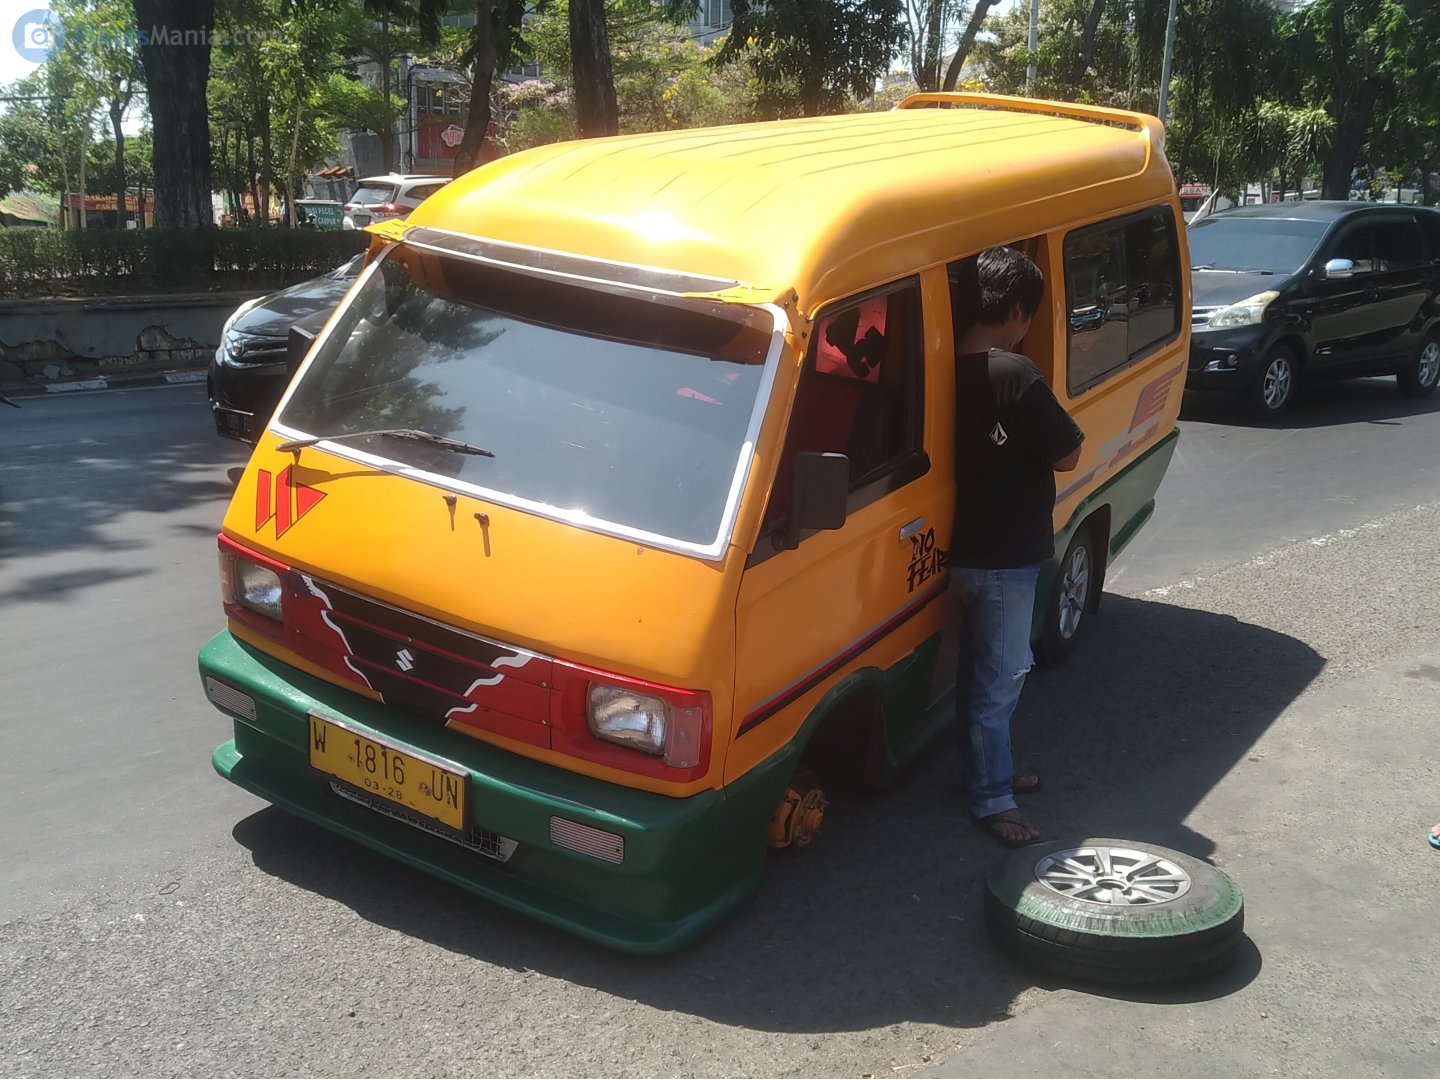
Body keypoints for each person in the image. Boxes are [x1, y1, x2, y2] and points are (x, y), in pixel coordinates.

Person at [951, 246, 1084, 848]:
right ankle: (993, 799)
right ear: (1013, 310)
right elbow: (1067, 452)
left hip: (960, 549)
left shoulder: (938, 366)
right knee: (1000, 679)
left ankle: (986, 773)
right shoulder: (1013, 373)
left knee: (975, 675)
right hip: (1006, 555)